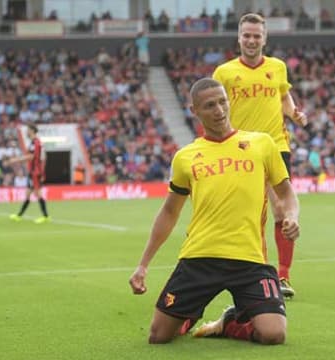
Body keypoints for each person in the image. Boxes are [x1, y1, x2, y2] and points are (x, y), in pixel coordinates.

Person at [129, 78, 300, 345]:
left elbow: (287, 193)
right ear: (194, 110)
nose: (219, 111)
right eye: (210, 105)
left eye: (223, 102)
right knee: (159, 336)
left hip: (249, 259)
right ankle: (190, 312)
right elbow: (169, 212)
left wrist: (291, 216)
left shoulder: (261, 144)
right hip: (200, 258)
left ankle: (229, 322)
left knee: (274, 333)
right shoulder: (186, 157)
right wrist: (143, 265)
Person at [212, 13, 307, 298]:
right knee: (250, 213)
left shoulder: (277, 68)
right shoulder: (224, 73)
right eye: (247, 35)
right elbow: (213, 108)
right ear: (239, 38)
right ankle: (256, 272)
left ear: (264, 39)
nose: (252, 40)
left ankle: (283, 275)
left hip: (275, 145)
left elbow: (283, 96)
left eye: (257, 36)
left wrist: (294, 113)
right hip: (240, 148)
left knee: (280, 209)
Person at [7, 124, 51, 223]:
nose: (27, 132)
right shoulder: (35, 142)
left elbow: (31, 156)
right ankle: (19, 215)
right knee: (28, 194)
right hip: (33, 171)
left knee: (37, 194)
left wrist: (16, 160)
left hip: (36, 171)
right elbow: (42, 156)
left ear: (32, 131)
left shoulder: (35, 143)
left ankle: (46, 216)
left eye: (28, 130)